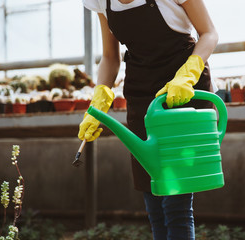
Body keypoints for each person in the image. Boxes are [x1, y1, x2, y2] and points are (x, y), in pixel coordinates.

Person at [78, 0, 218, 239]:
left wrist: (189, 73)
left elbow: (209, 33)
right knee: (154, 203)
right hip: (142, 96)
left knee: (175, 204)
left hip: (182, 92)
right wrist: (99, 100)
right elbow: (111, 57)